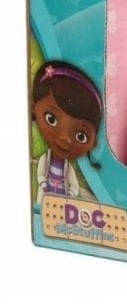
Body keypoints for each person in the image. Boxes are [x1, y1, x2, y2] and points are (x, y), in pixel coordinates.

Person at [32, 61, 102, 201]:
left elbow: (74, 185)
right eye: (51, 118)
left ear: (94, 142)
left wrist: (70, 194)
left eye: (81, 136)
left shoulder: (68, 168)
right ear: (33, 108)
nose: (65, 138)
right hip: (45, 199)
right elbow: (40, 174)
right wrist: (44, 184)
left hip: (63, 203)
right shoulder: (44, 159)